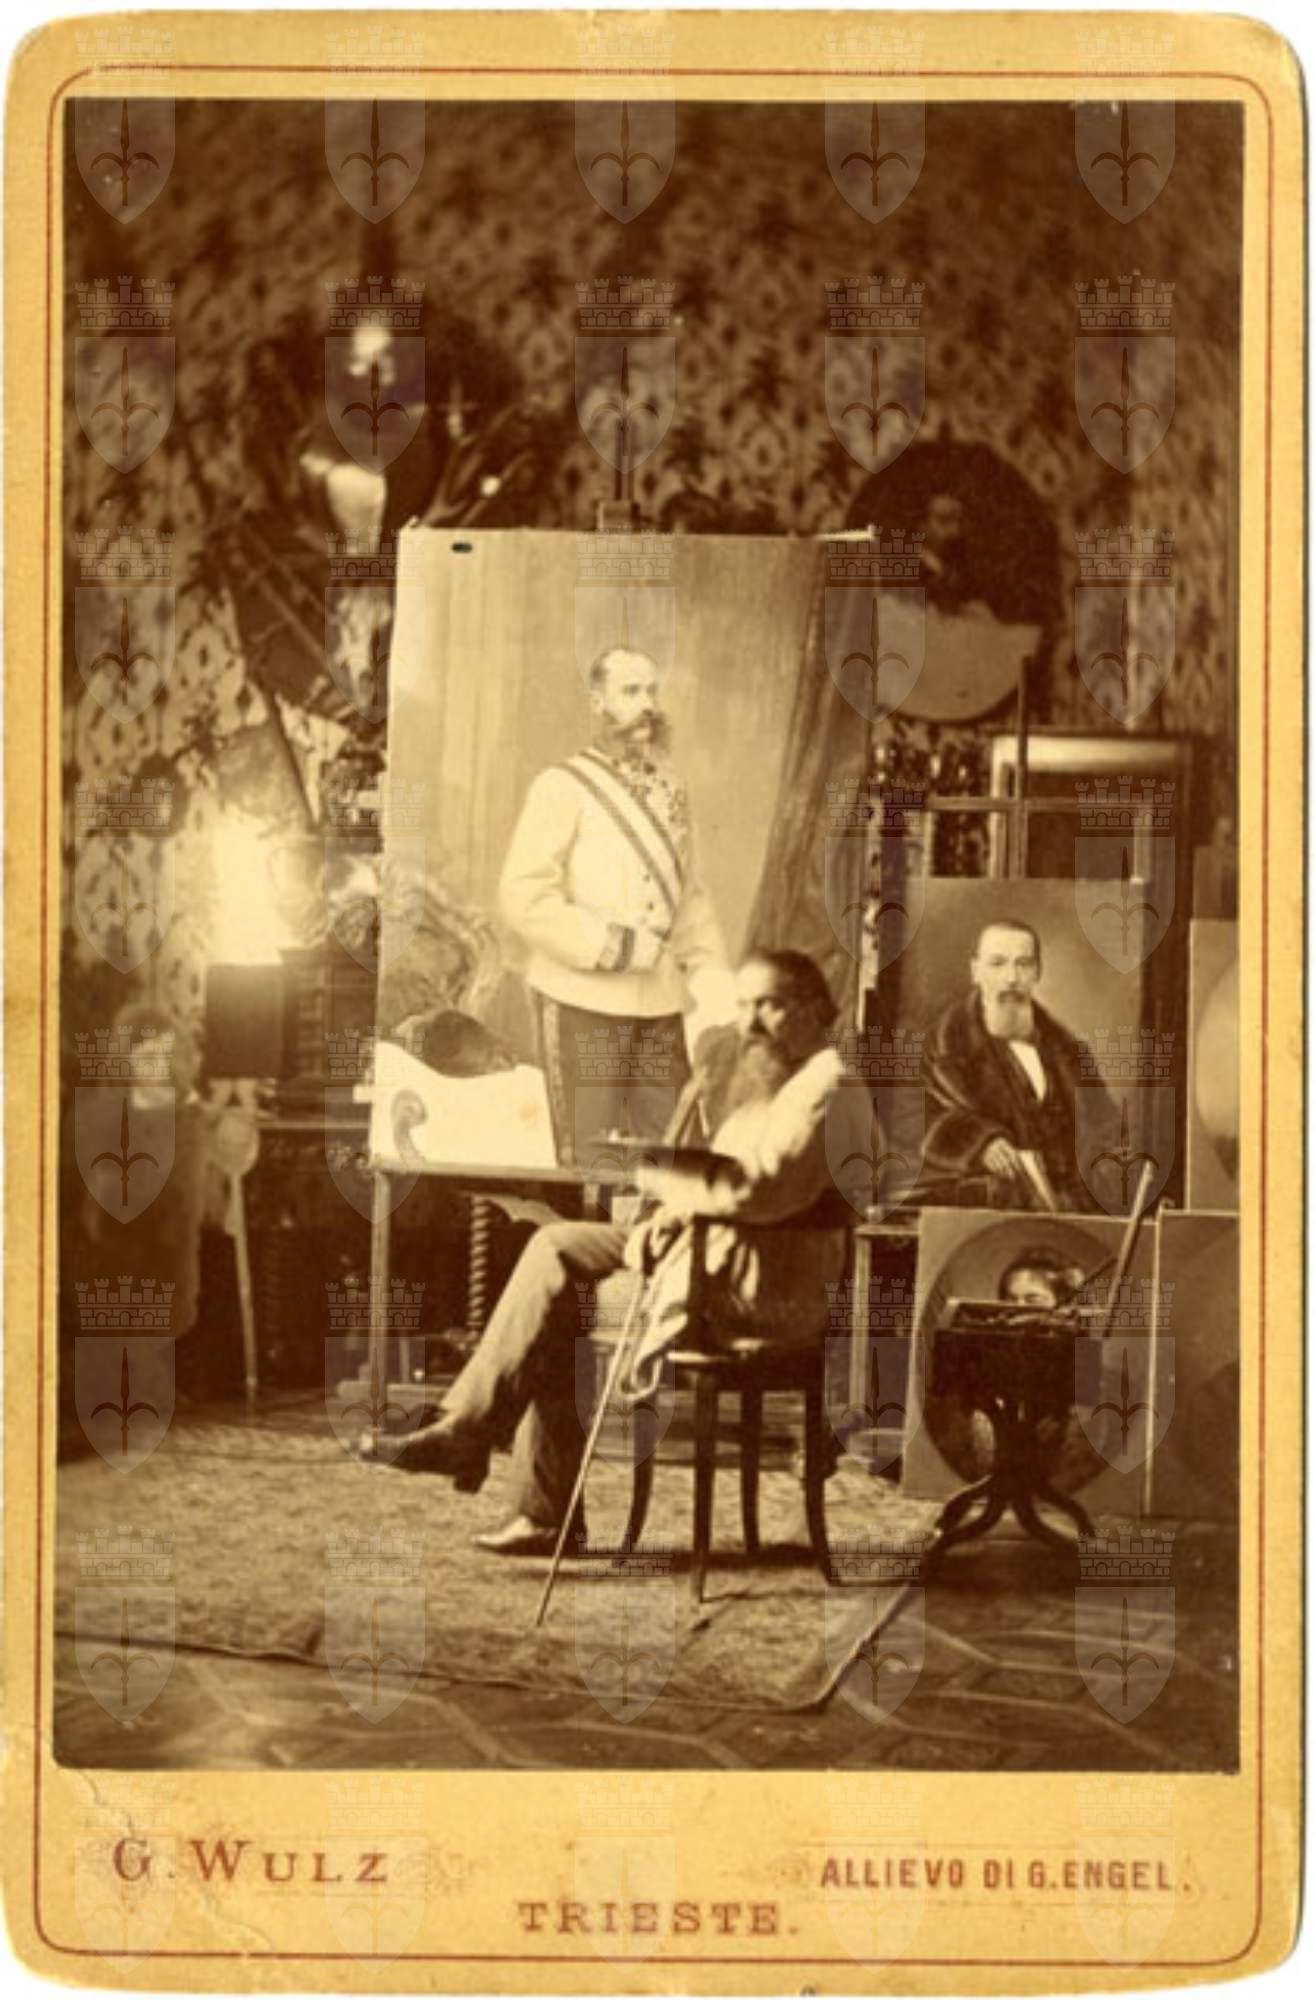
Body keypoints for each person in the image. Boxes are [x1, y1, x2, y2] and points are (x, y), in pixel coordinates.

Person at [370, 950, 875, 1556]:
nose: (749, 1024)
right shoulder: (780, 1083)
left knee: (559, 1294)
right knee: (554, 1248)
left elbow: (755, 1190)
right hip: (720, 1253)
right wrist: (669, 1213)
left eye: (769, 1005)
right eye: (743, 1006)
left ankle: (513, 1481)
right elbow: (728, 1184)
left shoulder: (828, 1088)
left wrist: (654, 1165)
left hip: (763, 1289)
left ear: (816, 1010)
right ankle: (486, 1452)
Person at [498, 645, 729, 1164]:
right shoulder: (562, 786)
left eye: (651, 691)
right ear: (597, 702)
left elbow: (689, 897)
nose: (647, 705)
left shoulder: (672, 790)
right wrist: (613, 946)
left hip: (658, 1001)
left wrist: (715, 985)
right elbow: (522, 893)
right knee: (591, 1159)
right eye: (630, 692)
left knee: (677, 1157)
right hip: (582, 1000)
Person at [919, 919, 1116, 1211]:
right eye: (997, 964)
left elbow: (1107, 1133)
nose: (1011, 978)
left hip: (1071, 1211)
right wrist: (979, 1143)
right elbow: (917, 1120)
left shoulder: (1071, 1055)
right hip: (988, 1210)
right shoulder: (945, 1049)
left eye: (1023, 964)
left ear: (1037, 972)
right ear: (976, 971)